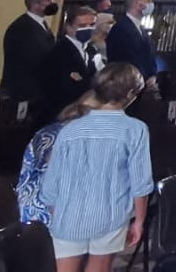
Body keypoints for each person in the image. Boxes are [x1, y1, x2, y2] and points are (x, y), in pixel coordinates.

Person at [39, 63, 152, 272]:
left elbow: (51, 185)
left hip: (68, 215)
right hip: (112, 214)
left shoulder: (70, 129)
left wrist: (56, 213)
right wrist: (139, 220)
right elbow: (140, 183)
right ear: (130, 94)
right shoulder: (135, 130)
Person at [38, 5, 103, 124]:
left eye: (92, 25)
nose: (88, 29)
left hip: (83, 114)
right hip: (62, 114)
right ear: (68, 28)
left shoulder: (89, 51)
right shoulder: (59, 52)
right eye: (82, 26)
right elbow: (64, 87)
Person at [1, 0, 58, 108]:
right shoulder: (23, 28)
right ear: (35, 4)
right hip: (24, 91)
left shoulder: (40, 24)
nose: (53, 4)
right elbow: (36, 58)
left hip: (35, 89)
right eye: (49, 1)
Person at [104, 0, 158, 81]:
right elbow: (125, 58)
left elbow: (148, 56)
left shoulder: (141, 29)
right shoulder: (120, 28)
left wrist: (152, 75)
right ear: (138, 4)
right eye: (148, 1)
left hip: (141, 82)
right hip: (128, 82)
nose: (151, 4)